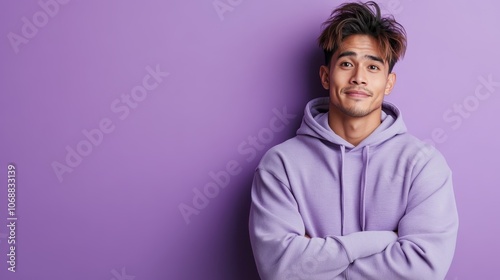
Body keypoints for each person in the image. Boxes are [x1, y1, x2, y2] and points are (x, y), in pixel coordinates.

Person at [248, 1, 459, 279]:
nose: (358, 78)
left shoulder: (423, 164)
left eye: (373, 67)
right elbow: (278, 270)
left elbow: (424, 270)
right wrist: (382, 240)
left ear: (388, 83)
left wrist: (317, 259)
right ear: (326, 76)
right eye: (347, 63)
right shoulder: (281, 165)